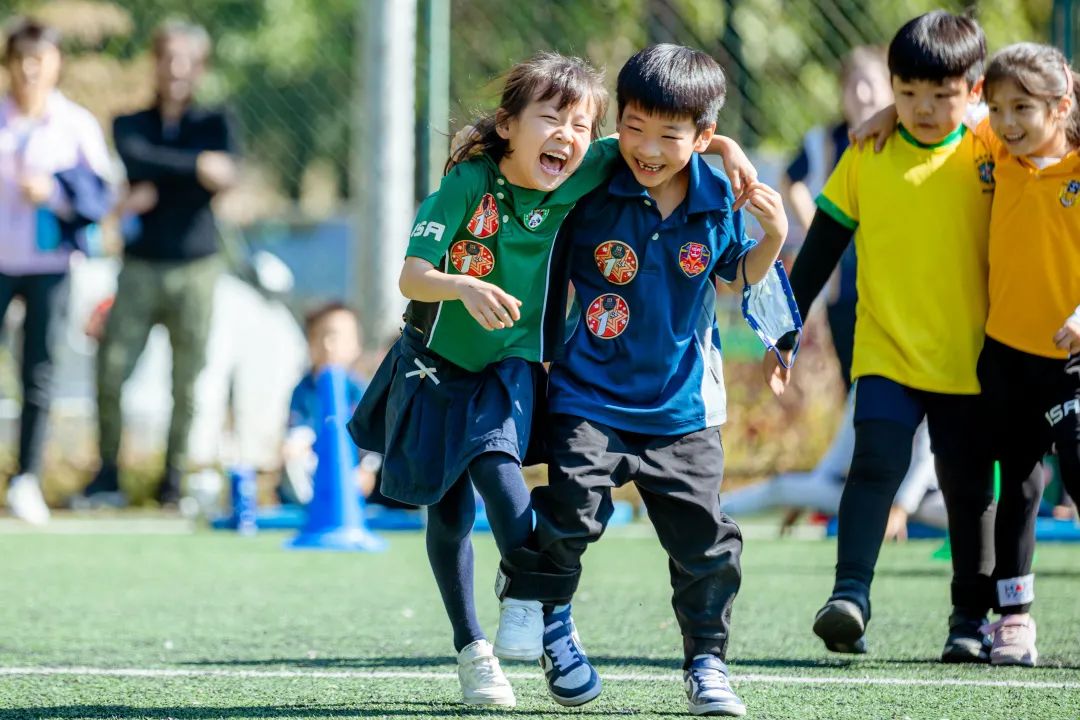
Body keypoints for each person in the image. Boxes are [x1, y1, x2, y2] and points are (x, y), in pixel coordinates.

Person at [348, 52, 755, 708]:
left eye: (581, 123)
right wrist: (460, 286)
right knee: (445, 513)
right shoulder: (465, 185)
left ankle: (546, 613)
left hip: (510, 364)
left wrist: (726, 149)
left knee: (496, 460)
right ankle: (472, 648)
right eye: (552, 119)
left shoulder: (589, 167)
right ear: (509, 125)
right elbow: (410, 277)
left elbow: (664, 136)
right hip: (433, 362)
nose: (569, 135)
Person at [489, 45, 787, 717]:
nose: (647, 149)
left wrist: (775, 234)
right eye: (633, 127)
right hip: (588, 391)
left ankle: (706, 661)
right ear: (615, 120)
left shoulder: (717, 199)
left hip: (681, 408)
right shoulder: (594, 180)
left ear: (702, 138)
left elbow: (738, 280)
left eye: (669, 136)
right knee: (571, 515)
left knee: (705, 541)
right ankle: (554, 623)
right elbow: (528, 174)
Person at [781, 11, 997, 662]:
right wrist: (783, 330)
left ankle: (968, 619)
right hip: (887, 352)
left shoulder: (994, 150)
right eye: (907, 94)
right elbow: (819, 251)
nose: (923, 109)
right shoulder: (867, 153)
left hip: (973, 359)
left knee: (966, 487)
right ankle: (850, 597)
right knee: (874, 465)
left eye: (942, 95)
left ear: (975, 90)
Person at [74, 21, 239, 508]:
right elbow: (136, 155)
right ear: (156, 62)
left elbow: (224, 175)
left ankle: (172, 481)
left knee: (187, 381)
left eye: (186, 59)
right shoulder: (130, 122)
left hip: (197, 268)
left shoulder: (217, 120)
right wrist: (196, 168)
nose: (176, 68)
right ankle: (108, 474)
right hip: (140, 267)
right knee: (111, 368)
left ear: (200, 66)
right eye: (167, 57)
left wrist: (158, 178)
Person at [972, 42, 1080, 666]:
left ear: (1061, 105)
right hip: (1006, 356)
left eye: (1023, 108)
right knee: (1017, 487)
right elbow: (951, 119)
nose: (1007, 122)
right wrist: (881, 119)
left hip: (1069, 361)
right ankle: (1013, 619)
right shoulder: (997, 153)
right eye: (997, 107)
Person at [0, 18, 112, 524]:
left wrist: (57, 194)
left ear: (56, 64)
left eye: (39, 59)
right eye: (21, 58)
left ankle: (26, 477)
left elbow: (102, 195)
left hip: (51, 266)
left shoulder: (75, 124)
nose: (29, 69)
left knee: (37, 372)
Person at [782, 46, 892, 389]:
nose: (862, 94)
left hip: (891, 276)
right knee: (853, 378)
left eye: (870, 83)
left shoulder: (907, 138)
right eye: (852, 85)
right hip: (843, 280)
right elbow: (791, 180)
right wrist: (819, 228)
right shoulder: (827, 140)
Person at [718, 393, 948, 541]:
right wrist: (808, 494)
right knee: (782, 487)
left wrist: (900, 509)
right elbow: (840, 453)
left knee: (962, 513)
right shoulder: (866, 384)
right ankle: (710, 507)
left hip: (923, 500)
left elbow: (925, 460)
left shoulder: (925, 382)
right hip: (866, 494)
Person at [280, 302, 377, 505]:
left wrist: (367, 468)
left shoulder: (359, 390)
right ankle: (310, 504)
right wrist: (296, 445)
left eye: (339, 337)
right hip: (315, 467)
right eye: (320, 336)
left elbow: (373, 437)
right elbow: (299, 429)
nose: (328, 345)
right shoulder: (304, 390)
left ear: (356, 345)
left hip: (353, 470)